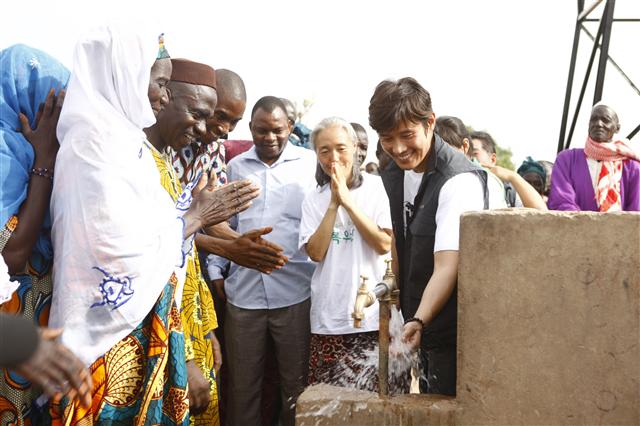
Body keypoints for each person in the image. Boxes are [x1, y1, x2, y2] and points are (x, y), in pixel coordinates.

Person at [48, 26, 257, 424]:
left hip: (149, 327)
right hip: (109, 338)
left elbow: (167, 241)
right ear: (123, 76)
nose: (161, 96)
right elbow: (115, 250)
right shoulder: (94, 147)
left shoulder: (127, 149)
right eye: (159, 83)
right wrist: (197, 217)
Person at [369, 77, 490, 396]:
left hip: (452, 332)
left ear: (430, 122)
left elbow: (448, 265)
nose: (397, 148)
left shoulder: (457, 181)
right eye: (387, 138)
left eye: (407, 135)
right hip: (418, 324)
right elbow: (400, 236)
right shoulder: (394, 169)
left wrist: (420, 320)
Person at [210, 96, 316, 425]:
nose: (269, 138)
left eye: (277, 130)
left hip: (295, 291)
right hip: (243, 293)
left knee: (295, 386)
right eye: (260, 131)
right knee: (242, 385)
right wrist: (216, 269)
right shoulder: (236, 167)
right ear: (251, 129)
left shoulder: (310, 164)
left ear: (290, 128)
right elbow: (225, 221)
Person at [0, 44, 72, 424]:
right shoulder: (5, 151)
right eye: (52, 104)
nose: (61, 116)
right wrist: (43, 160)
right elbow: (9, 253)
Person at [300, 117, 392, 392]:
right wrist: (332, 204)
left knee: (374, 407)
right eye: (324, 150)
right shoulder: (313, 198)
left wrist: (348, 202)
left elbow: (383, 244)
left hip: (373, 317)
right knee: (328, 406)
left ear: (354, 148)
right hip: (329, 318)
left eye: (341, 148)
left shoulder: (377, 188)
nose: (334, 158)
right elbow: (315, 253)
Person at [548, 104, 640, 212]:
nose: (598, 124)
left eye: (606, 120)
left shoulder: (633, 167)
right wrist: (587, 226)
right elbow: (561, 202)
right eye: (594, 119)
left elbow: (635, 211)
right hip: (574, 227)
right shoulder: (566, 160)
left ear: (617, 128)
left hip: (620, 228)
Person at [470, 130, 518, 207]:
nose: (470, 159)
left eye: (475, 153)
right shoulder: (457, 186)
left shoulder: (509, 192)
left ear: (492, 159)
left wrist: (513, 176)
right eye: (466, 154)